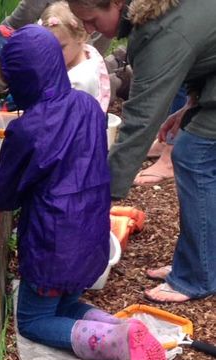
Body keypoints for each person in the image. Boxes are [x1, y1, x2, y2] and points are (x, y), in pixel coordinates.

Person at [0, 25, 166, 360]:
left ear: (22, 81)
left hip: (53, 248)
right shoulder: (87, 106)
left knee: (35, 320)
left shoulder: (27, 130)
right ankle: (122, 328)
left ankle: (114, 344)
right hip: (92, 242)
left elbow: (5, 195)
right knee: (66, 305)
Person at [68, 0, 216, 303]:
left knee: (192, 155)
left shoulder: (160, 33)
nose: (90, 30)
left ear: (117, 4)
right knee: (194, 148)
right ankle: (199, 263)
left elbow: (140, 122)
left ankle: (196, 277)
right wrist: (192, 106)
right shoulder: (155, 14)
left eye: (94, 21)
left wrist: (102, 193)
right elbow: (205, 51)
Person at [0, 3, 110, 175]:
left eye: (60, 48)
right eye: (49, 49)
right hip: (66, 141)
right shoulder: (86, 55)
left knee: (5, 101)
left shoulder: (74, 83)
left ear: (80, 37)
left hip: (65, 159)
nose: (52, 56)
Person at [39, 1, 110, 112]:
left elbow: (58, 115)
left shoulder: (79, 81)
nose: (53, 54)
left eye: (61, 47)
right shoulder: (87, 52)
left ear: (80, 36)